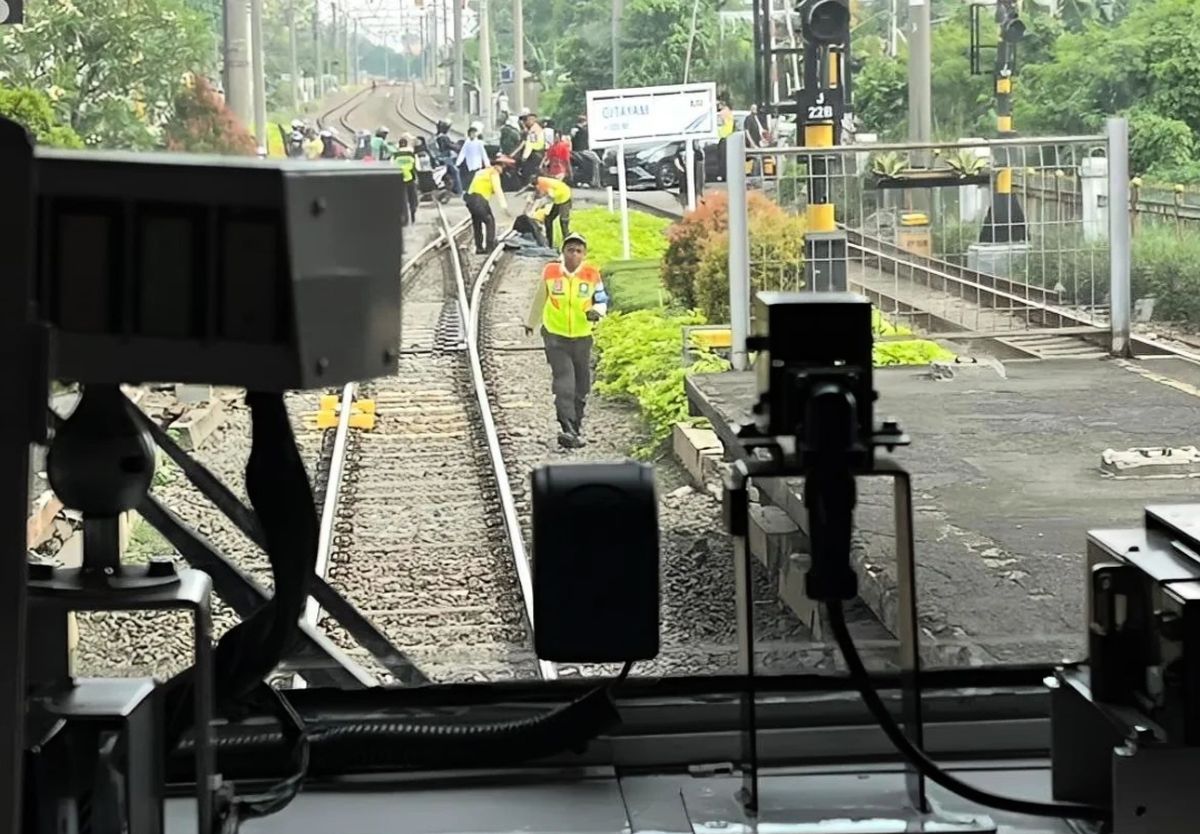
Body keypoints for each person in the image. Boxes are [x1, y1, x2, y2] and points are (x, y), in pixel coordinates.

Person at [523, 232, 608, 449]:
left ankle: (575, 428)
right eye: (570, 250)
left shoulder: (591, 273)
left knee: (582, 385)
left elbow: (601, 298)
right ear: (563, 252)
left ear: (584, 254)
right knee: (564, 382)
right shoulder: (551, 272)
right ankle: (566, 427)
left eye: (579, 251)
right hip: (555, 336)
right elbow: (540, 297)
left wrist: (597, 312)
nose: (574, 255)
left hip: (582, 336)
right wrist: (531, 322)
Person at [465, 159, 510, 254]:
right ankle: (490, 246)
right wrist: (504, 206)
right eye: (503, 167)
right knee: (489, 220)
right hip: (480, 199)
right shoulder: (493, 173)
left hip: (470, 199)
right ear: (498, 166)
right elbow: (497, 189)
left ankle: (479, 247)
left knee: (477, 223)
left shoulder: (480, 172)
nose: (503, 170)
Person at [533, 174, 572, 248]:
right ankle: (549, 242)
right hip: (559, 198)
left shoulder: (545, 185)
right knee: (548, 220)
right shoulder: (542, 181)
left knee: (563, 221)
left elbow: (550, 197)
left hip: (564, 197)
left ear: (537, 185)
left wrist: (540, 206)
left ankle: (568, 243)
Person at [393, 134, 419, 224]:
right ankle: (413, 215)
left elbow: (391, 167)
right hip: (410, 178)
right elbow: (417, 167)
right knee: (413, 198)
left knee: (402, 200)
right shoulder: (411, 155)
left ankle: (405, 219)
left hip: (399, 180)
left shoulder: (395, 156)